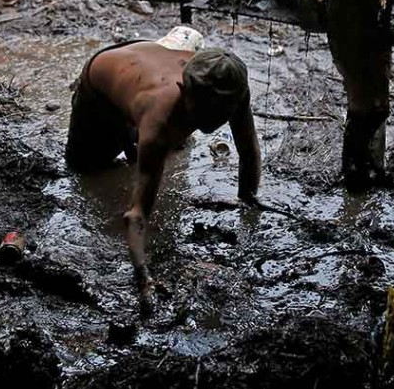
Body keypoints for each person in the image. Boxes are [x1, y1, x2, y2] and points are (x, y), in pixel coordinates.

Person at [65, 36, 261, 300]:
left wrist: (248, 204)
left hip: (148, 60)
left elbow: (248, 152)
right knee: (85, 168)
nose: (211, 123)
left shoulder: (232, 91)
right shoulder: (160, 120)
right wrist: (143, 279)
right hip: (102, 80)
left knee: (165, 141)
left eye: (219, 116)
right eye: (201, 115)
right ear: (182, 89)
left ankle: (138, 134)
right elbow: (136, 216)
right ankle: (131, 131)